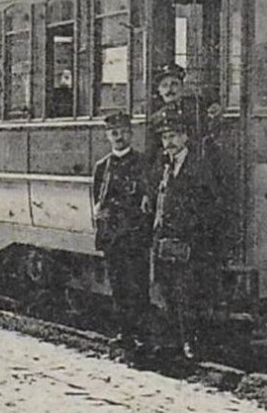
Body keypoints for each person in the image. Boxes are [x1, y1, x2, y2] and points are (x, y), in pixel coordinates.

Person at [149, 114, 221, 357]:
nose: (168, 142)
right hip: (165, 241)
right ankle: (173, 344)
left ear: (185, 138)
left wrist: (190, 233)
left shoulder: (198, 166)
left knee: (187, 294)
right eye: (165, 137)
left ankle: (191, 343)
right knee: (167, 291)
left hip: (188, 242)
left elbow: (209, 204)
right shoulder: (163, 164)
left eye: (173, 137)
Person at [90, 111, 152, 347]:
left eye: (123, 132)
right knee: (118, 288)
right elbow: (99, 200)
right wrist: (99, 214)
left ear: (131, 134)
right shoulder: (102, 167)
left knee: (138, 286)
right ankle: (125, 333)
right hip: (112, 238)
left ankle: (142, 335)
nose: (119, 137)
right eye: (113, 132)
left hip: (134, 236)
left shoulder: (142, 162)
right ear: (108, 136)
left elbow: (146, 200)